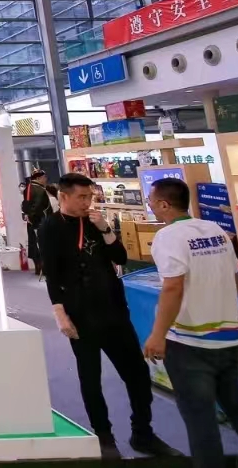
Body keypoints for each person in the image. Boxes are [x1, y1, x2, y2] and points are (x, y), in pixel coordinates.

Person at [143, 179, 238, 468]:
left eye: (151, 201)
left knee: (200, 422)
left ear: (164, 205)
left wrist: (158, 334)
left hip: (190, 343)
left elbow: (173, 287)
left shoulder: (168, 237)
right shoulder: (215, 230)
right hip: (230, 339)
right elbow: (234, 278)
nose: (150, 205)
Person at [39, 174, 175, 460]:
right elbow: (51, 274)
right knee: (91, 378)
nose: (87, 202)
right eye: (81, 197)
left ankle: (143, 433)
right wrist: (60, 313)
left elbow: (120, 257)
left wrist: (105, 228)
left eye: (89, 196)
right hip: (80, 315)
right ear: (64, 196)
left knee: (137, 375)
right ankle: (103, 436)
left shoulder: (95, 221)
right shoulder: (50, 227)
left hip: (114, 310)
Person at [21, 169, 51, 276]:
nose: (46, 179)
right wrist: (33, 218)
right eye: (44, 177)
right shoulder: (39, 190)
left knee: (33, 243)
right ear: (38, 178)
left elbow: (25, 205)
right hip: (40, 221)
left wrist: (28, 216)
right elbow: (37, 206)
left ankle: (38, 267)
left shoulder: (28, 188)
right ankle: (43, 267)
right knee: (41, 244)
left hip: (33, 221)